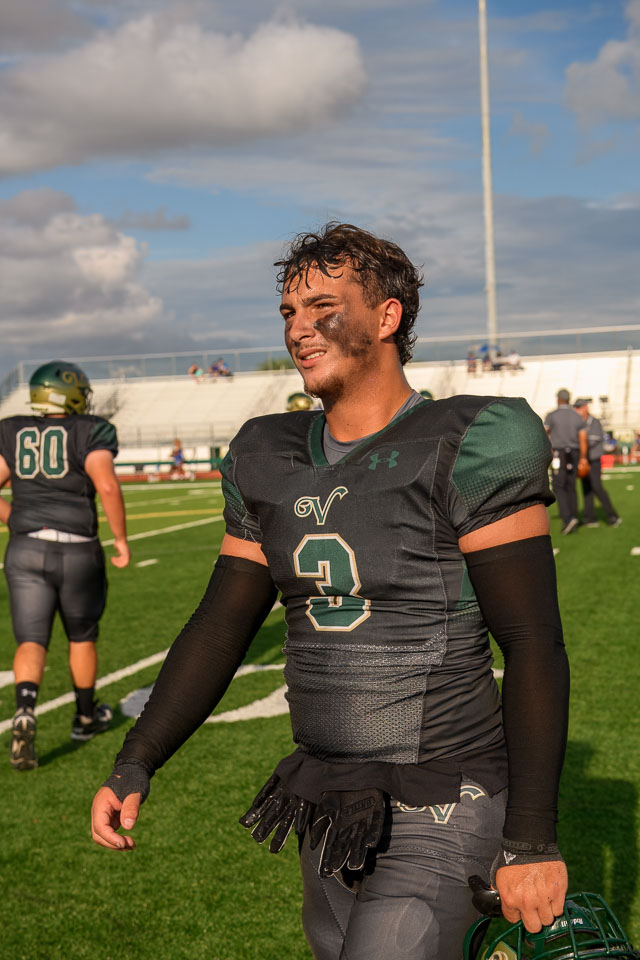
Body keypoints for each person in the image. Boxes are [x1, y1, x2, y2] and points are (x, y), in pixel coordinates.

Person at [91, 223, 569, 960]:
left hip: (445, 796)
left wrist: (532, 839)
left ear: (387, 316)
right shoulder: (265, 451)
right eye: (289, 312)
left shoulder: (470, 439)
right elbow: (220, 626)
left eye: (322, 307)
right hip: (326, 801)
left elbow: (532, 640)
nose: (298, 328)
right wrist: (137, 760)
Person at [0, 361, 130, 771]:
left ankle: (25, 709)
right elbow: (106, 484)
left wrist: (16, 520)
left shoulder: (12, 429)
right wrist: (121, 540)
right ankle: (85, 718)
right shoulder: (90, 429)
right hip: (76, 549)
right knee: (81, 636)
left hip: (25, 548)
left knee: (31, 640)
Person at [544, 388, 589, 535]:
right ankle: (574, 516)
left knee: (559, 487)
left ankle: (567, 518)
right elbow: (583, 439)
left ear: (558, 399)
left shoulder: (552, 415)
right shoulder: (577, 416)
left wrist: (549, 451)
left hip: (559, 453)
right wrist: (583, 457)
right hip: (574, 453)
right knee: (571, 486)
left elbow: (544, 434)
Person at [573, 399, 621, 527]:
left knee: (597, 487)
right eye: (576, 407)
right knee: (586, 489)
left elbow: (593, 440)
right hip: (583, 460)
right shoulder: (577, 422)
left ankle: (612, 516)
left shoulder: (594, 422)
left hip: (593, 460)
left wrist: (579, 442)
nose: (577, 410)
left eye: (579, 407)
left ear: (585, 408)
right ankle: (589, 518)